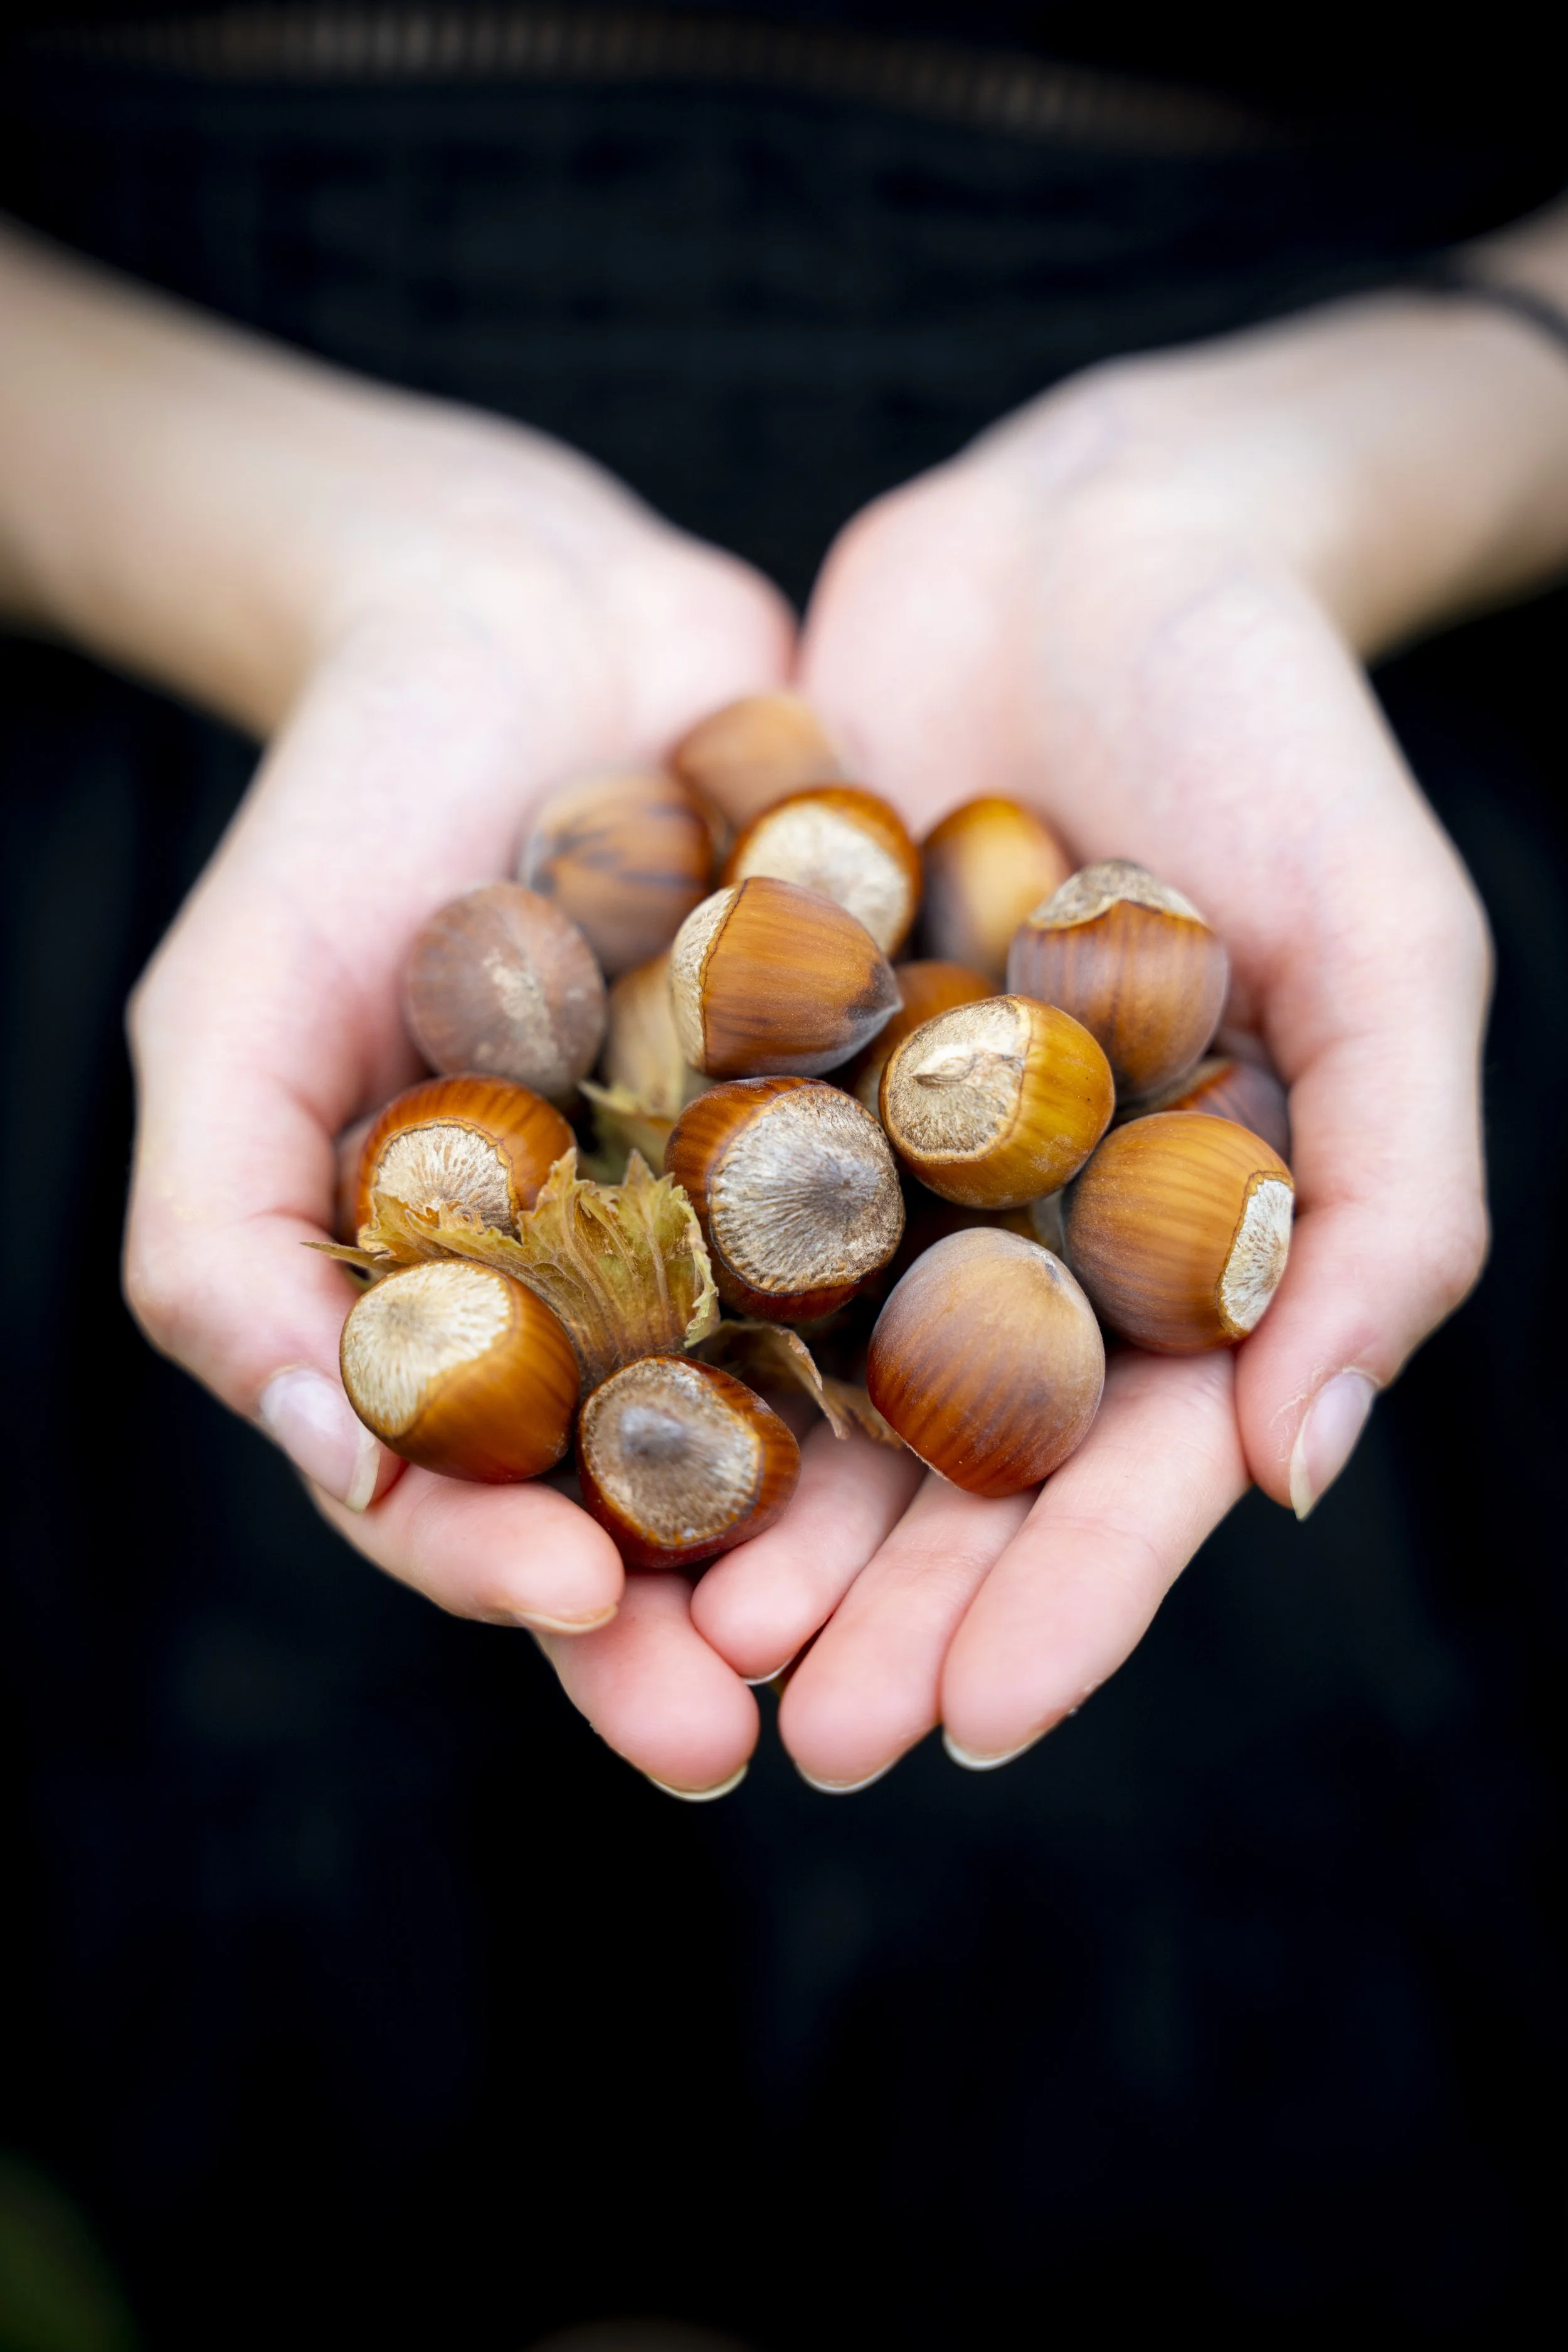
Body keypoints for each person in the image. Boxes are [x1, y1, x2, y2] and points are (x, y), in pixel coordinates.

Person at [1, 13, 1565, 2333]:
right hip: (208, 658)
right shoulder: (773, 1024)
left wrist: (1317, 474)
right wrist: (298, 544)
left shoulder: (884, 1030)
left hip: (1341, 600)